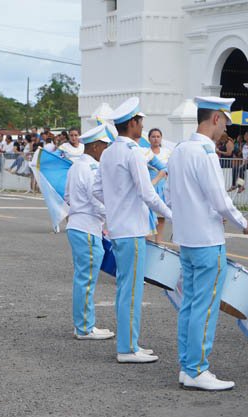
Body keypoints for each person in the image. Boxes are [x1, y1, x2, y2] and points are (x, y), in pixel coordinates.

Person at [167, 97, 248, 391]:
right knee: (205, 308)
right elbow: (220, 199)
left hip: (187, 239)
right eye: (225, 123)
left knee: (190, 305)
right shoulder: (206, 153)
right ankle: (197, 369)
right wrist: (243, 222)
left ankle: (187, 366)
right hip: (206, 240)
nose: (224, 131)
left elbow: (171, 196)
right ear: (216, 118)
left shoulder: (180, 150)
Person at [92, 97, 172, 364]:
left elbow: (97, 190)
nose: (143, 127)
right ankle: (127, 348)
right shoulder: (133, 151)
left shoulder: (109, 152)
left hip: (118, 228)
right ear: (133, 124)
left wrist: (116, 206)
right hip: (132, 230)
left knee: (125, 288)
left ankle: (130, 343)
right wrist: (173, 215)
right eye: (141, 122)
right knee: (132, 290)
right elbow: (148, 193)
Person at [64, 124, 114, 340]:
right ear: (95, 146)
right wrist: (114, 217)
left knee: (83, 278)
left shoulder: (75, 166)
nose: (106, 151)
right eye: (104, 146)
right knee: (86, 280)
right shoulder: (92, 168)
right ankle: (85, 327)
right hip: (87, 227)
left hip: (78, 225)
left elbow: (67, 196)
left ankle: (84, 324)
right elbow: (98, 201)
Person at [144, 128, 170, 243]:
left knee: (161, 216)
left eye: (158, 136)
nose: (156, 139)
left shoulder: (166, 152)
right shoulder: (145, 152)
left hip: (162, 186)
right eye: (153, 136)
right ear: (149, 138)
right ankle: (148, 241)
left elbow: (169, 169)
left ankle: (158, 241)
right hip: (150, 184)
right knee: (149, 215)